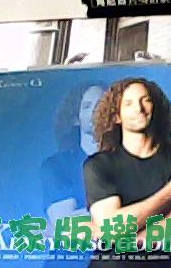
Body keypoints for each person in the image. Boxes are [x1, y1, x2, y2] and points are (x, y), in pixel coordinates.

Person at [83, 78, 171, 267]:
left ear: (155, 108)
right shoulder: (99, 165)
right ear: (116, 116)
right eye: (129, 103)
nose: (139, 108)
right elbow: (112, 228)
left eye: (146, 100)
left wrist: (119, 237)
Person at [41, 82, 108, 232]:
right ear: (76, 118)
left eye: (102, 105)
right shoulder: (56, 166)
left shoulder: (133, 162)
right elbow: (65, 223)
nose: (96, 112)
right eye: (87, 106)